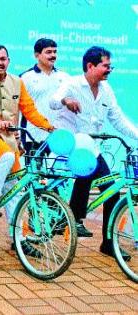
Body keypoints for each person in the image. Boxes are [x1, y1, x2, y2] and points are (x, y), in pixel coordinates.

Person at [50, 46, 138, 258]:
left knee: (112, 190)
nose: (109, 70)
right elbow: (53, 102)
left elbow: (118, 119)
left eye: (110, 66)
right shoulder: (72, 84)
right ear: (90, 66)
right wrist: (66, 101)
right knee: (86, 168)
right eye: (106, 66)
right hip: (71, 146)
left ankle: (108, 243)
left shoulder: (106, 90)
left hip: (92, 147)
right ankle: (74, 218)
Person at [0, 44, 54, 253]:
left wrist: (50, 127)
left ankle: (19, 239)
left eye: (3, 59)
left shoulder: (17, 82)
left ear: (9, 61)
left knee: (15, 189)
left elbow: (30, 110)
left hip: (7, 140)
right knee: (6, 156)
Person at [20, 38, 70, 153]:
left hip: (58, 136)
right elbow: (18, 109)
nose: (53, 55)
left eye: (55, 52)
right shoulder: (25, 77)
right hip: (33, 137)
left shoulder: (65, 77)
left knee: (58, 170)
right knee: (34, 171)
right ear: (37, 55)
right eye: (48, 52)